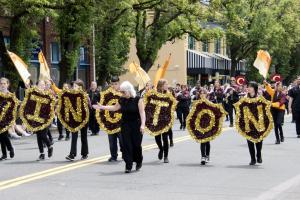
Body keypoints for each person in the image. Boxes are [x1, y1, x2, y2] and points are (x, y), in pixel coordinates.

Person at [93, 81, 145, 173]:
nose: (122, 94)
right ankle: (128, 165)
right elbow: (114, 108)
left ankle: (138, 161)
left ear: (129, 91)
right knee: (126, 145)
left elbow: (142, 112)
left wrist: (142, 125)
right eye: (121, 92)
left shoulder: (138, 99)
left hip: (136, 124)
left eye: (123, 92)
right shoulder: (122, 99)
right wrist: (102, 107)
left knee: (136, 145)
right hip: (125, 125)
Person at [66, 80, 89, 161]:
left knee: (83, 136)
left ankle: (85, 153)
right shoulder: (71, 96)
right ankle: (72, 154)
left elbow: (89, 107)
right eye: (74, 86)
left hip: (83, 119)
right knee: (74, 136)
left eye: (76, 86)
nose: (74, 88)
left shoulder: (85, 95)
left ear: (80, 87)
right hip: (74, 119)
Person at [154, 79, 173, 163]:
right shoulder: (155, 93)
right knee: (157, 137)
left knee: (165, 138)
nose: (167, 85)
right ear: (161, 85)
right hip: (156, 118)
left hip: (166, 118)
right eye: (166, 84)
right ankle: (161, 149)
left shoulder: (168, 94)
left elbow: (172, 104)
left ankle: (166, 156)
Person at [106, 76, 123, 162]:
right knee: (111, 140)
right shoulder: (107, 94)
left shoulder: (123, 92)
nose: (114, 86)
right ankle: (113, 156)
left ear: (119, 83)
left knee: (122, 140)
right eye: (112, 84)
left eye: (116, 84)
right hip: (110, 120)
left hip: (121, 121)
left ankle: (124, 153)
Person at [35, 80, 54, 161]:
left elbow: (51, 105)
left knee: (43, 135)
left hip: (46, 118)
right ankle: (42, 153)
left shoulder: (48, 94)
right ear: (37, 86)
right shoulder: (34, 94)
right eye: (40, 84)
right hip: (36, 118)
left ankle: (49, 146)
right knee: (38, 136)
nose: (42, 86)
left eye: (43, 84)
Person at [246, 81, 263, 165]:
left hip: (259, 123)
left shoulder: (260, 98)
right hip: (248, 123)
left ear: (255, 89)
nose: (248, 88)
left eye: (251, 87)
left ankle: (259, 154)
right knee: (249, 141)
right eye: (248, 86)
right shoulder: (244, 98)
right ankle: (252, 158)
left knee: (259, 140)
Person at [0, 77, 15, 161]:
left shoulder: (10, 95)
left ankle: (10, 149)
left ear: (7, 85)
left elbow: (13, 108)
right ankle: (4, 154)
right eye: (1, 84)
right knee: (1, 136)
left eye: (4, 83)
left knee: (4, 135)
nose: (2, 85)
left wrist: (12, 121)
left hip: (6, 119)